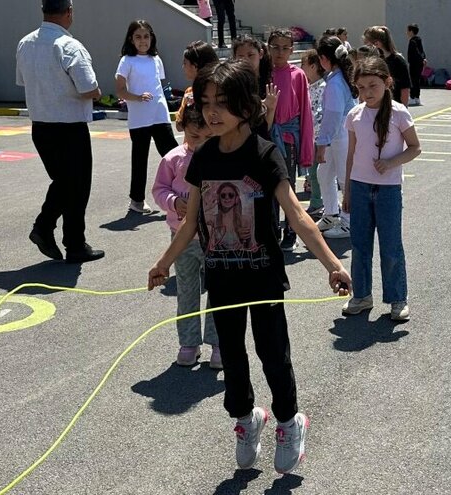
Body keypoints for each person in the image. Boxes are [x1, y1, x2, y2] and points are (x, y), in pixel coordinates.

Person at [147, 60, 352, 475]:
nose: (211, 112)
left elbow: (296, 214)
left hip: (261, 276)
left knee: (272, 353)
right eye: (205, 103)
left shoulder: (264, 153)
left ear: (246, 104)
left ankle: (289, 421)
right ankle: (245, 420)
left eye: (222, 103)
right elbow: (190, 222)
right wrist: (163, 263)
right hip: (221, 278)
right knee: (232, 357)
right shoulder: (203, 157)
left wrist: (332, 264)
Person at [16, 0, 103, 263]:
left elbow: (23, 81)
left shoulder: (25, 43)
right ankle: (62, 237)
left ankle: (60, 235)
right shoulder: (69, 46)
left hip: (40, 127)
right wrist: (99, 95)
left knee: (64, 183)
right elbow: (89, 88)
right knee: (76, 186)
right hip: (69, 126)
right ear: (69, 12)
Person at [342, 56, 421, 322]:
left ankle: (398, 298)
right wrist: (348, 191)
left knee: (390, 246)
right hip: (360, 187)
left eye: (373, 86)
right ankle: (362, 295)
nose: (366, 93)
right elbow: (351, 155)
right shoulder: (354, 114)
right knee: (360, 245)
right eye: (361, 87)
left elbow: (415, 147)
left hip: (388, 189)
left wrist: (390, 163)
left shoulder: (399, 112)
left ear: (387, 83)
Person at [152, 97, 220, 369]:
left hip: (216, 239)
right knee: (187, 291)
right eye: (194, 136)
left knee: (218, 292)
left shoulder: (218, 156)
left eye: (206, 136)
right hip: (182, 239)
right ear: (182, 128)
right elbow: (159, 189)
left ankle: (218, 344)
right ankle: (189, 344)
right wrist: (173, 202)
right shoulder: (173, 159)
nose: (200, 141)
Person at [115, 20, 176, 215]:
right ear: (131, 40)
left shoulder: (156, 59)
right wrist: (138, 98)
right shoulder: (126, 61)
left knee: (172, 154)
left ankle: (184, 191)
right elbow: (121, 91)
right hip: (139, 118)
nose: (143, 41)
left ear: (152, 38)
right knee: (140, 158)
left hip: (160, 114)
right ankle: (137, 201)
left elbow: (158, 86)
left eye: (146, 36)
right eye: (138, 37)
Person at [267, 28, 314, 252]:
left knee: (288, 187)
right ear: (268, 48)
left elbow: (305, 113)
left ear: (291, 50)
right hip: (266, 138)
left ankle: (291, 230)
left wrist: (306, 149)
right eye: (275, 47)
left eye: (285, 48)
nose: (280, 52)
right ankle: (272, 229)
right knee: (267, 187)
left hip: (288, 139)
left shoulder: (298, 75)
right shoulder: (263, 73)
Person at [314, 36, 357, 239]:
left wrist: (322, 143)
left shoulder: (336, 82)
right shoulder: (340, 77)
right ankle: (331, 213)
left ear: (324, 58)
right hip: (338, 137)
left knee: (343, 178)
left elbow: (332, 116)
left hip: (340, 138)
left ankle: (349, 222)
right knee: (324, 175)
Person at [232, 35, 277, 140]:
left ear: (260, 54)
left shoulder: (267, 82)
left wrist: (270, 108)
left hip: (261, 141)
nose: (246, 60)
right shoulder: (233, 83)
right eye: (241, 56)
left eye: (250, 55)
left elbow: (266, 127)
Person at [300, 49, 326, 219]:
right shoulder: (311, 86)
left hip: (319, 138)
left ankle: (318, 203)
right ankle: (318, 202)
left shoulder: (323, 87)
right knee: (314, 173)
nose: (301, 68)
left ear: (313, 66)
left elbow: (320, 114)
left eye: (303, 64)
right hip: (312, 137)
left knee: (318, 173)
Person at [363, 25, 411, 105]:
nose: (365, 47)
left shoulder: (398, 61)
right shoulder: (373, 61)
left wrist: (403, 109)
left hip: (393, 106)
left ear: (377, 43)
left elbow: (405, 89)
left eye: (366, 43)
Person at [406, 23, 427, 106]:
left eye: (407, 31)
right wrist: (424, 59)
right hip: (419, 63)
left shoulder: (413, 41)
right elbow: (422, 51)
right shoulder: (418, 40)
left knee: (413, 80)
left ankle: (412, 97)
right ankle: (417, 98)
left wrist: (421, 59)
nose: (406, 32)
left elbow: (417, 52)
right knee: (417, 80)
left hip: (414, 63)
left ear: (411, 31)